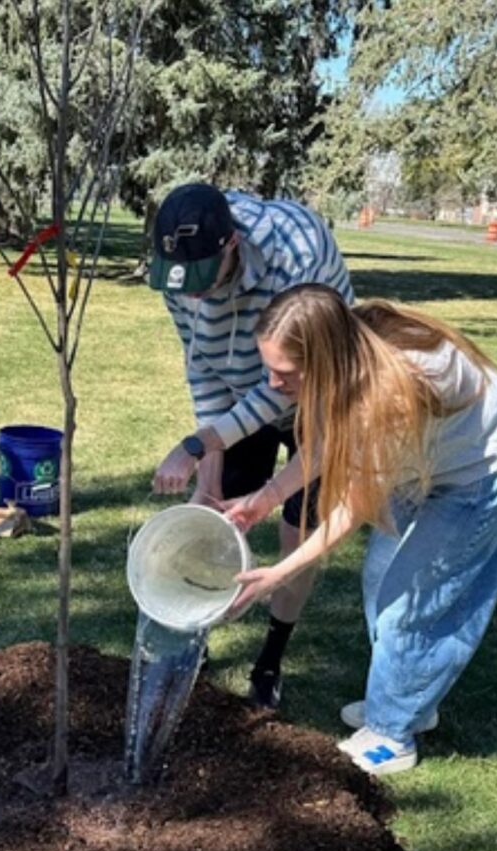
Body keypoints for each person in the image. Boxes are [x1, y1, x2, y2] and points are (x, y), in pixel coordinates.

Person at [225, 284, 497, 775]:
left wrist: (279, 572)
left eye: (284, 373)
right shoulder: (350, 352)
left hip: (482, 471)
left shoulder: (391, 393)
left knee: (413, 602)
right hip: (426, 462)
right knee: (381, 582)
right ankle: (409, 696)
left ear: (323, 359)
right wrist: (263, 500)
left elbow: (353, 506)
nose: (272, 382)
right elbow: (326, 441)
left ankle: (393, 735)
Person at [148, 183, 354, 708]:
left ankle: (269, 664)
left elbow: (283, 387)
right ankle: (197, 639)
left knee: (297, 527)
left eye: (202, 281)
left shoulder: (296, 253)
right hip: (244, 397)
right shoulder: (179, 275)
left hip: (317, 390)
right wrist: (208, 479)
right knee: (219, 516)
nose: (192, 296)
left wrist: (195, 446)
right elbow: (204, 371)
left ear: (232, 244)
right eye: (181, 284)